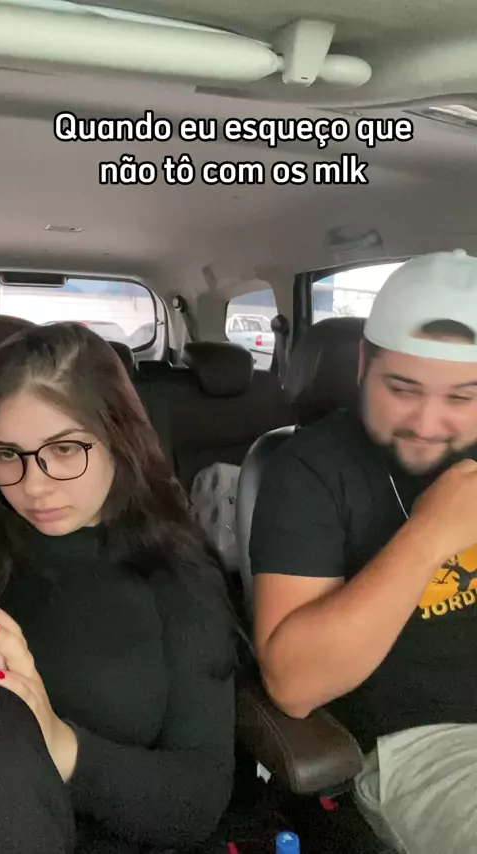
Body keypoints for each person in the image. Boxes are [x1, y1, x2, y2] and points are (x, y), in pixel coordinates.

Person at [249, 249, 477, 854]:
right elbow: (294, 684)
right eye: (402, 388)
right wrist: (430, 534)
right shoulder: (311, 470)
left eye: (463, 397)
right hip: (428, 744)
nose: (429, 423)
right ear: (362, 365)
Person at [0, 321, 237, 854]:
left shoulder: (181, 576)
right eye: (7, 454)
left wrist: (60, 745)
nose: (33, 485)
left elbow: (199, 800)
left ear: (118, 440)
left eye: (64, 449)